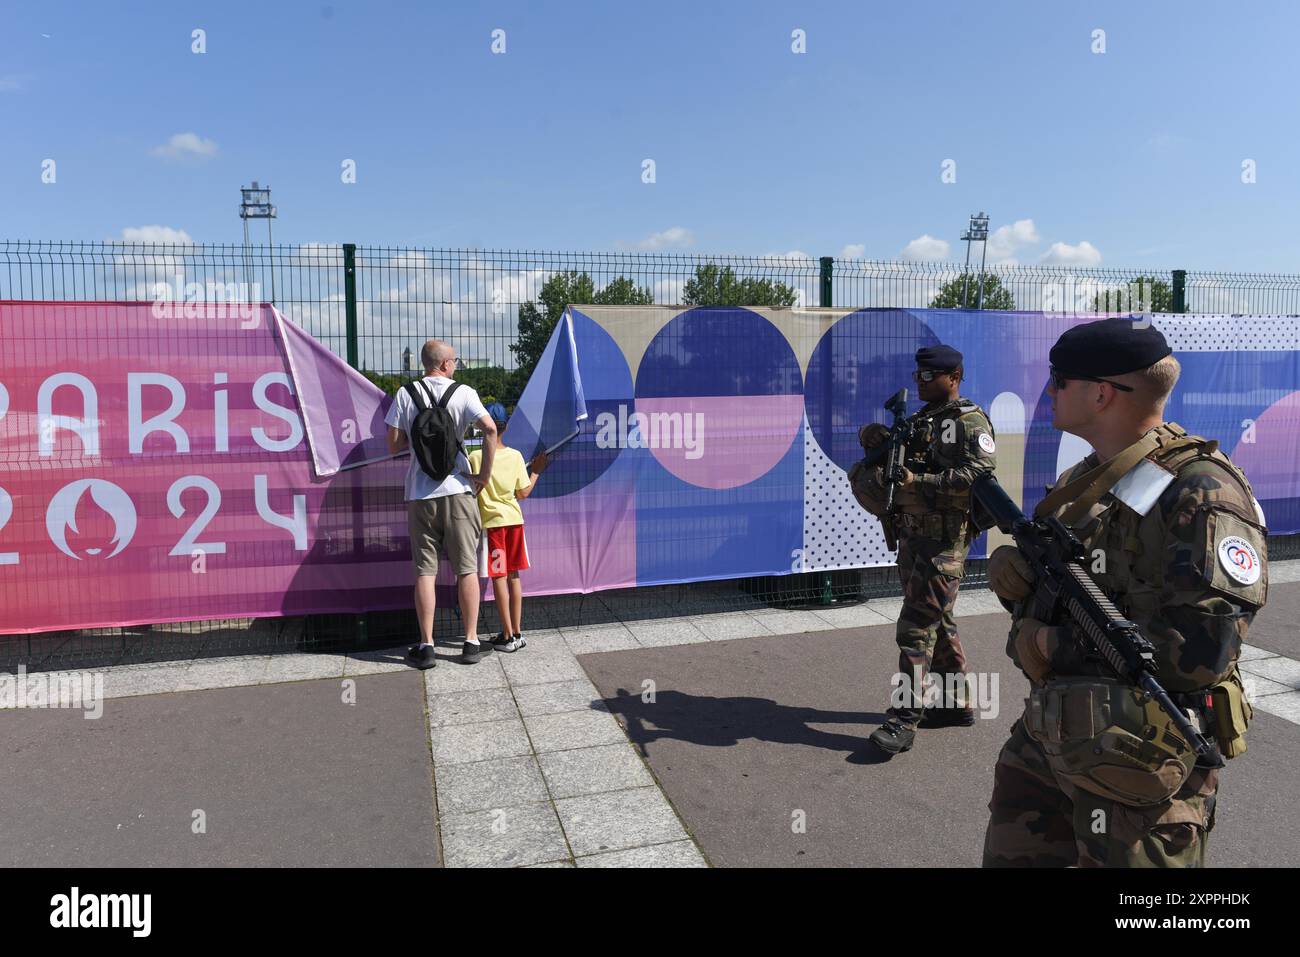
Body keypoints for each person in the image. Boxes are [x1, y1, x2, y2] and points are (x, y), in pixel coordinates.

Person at [982, 317, 1267, 867]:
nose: (1050, 391)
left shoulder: (1202, 492)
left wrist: (1047, 646)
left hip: (1142, 755)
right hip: (1058, 734)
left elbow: (1203, 653)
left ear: (1101, 394)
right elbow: (1094, 583)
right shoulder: (1101, 474)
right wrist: (1018, 578)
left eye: (1058, 380)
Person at [852, 345, 997, 755]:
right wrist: (871, 437)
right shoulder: (920, 419)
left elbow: (979, 475)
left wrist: (918, 481)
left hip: (944, 543)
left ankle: (903, 721)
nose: (921, 382)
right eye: (917, 375)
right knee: (940, 622)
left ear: (954, 376)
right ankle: (954, 705)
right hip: (915, 537)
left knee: (915, 629)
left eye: (929, 376)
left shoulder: (969, 420)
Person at [385, 339, 497, 667]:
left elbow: (393, 446)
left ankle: (427, 645)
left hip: (420, 494)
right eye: (455, 361)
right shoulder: (463, 393)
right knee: (466, 569)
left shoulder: (406, 394)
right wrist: (483, 476)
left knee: (424, 571)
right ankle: (471, 641)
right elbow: (489, 429)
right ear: (446, 364)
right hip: (460, 490)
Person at [467, 413, 550, 652]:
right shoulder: (515, 456)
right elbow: (522, 493)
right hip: (515, 521)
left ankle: (506, 635)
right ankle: (517, 632)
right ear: (507, 426)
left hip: (493, 525)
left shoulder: (475, 457)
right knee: (514, 576)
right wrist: (536, 471)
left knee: (499, 577)